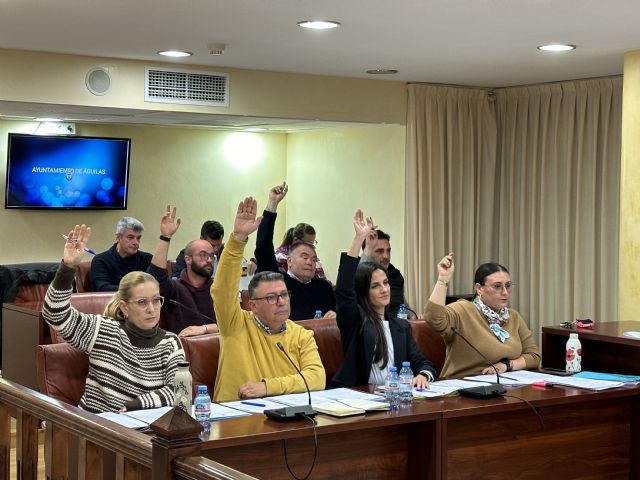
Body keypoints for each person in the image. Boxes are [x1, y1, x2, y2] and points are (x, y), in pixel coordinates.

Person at [42, 224, 185, 413]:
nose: (152, 309)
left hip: (146, 429)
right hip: (99, 427)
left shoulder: (170, 342)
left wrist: (137, 405)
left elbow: (179, 391)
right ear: (124, 307)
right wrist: (68, 267)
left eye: (156, 300)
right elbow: (54, 313)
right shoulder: (103, 330)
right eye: (142, 302)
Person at [211, 196, 325, 402]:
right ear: (253, 305)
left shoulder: (301, 335)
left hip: (282, 419)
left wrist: (267, 387)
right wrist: (237, 240)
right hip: (234, 420)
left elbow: (317, 378)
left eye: (284, 295)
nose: (281, 302)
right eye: (271, 297)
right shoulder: (235, 324)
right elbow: (222, 289)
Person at [332, 210, 437, 388]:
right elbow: (344, 289)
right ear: (364, 292)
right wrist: (358, 239)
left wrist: (423, 376)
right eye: (375, 286)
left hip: (393, 397)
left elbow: (424, 363)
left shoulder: (400, 326)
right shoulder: (355, 321)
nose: (384, 289)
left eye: (385, 283)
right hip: (359, 398)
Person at [424, 253, 540, 378]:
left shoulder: (513, 316)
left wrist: (506, 366)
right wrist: (442, 280)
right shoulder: (462, 310)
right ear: (479, 289)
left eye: (508, 286)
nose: (505, 292)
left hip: (505, 386)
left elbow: (534, 356)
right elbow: (434, 320)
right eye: (497, 286)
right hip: (463, 386)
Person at [254, 182, 336, 320]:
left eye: (314, 259)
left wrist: (335, 316)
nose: (310, 262)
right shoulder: (278, 282)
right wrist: (272, 204)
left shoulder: (323, 288)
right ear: (289, 261)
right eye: (304, 257)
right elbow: (263, 247)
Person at [147, 205, 218, 337]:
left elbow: (234, 323)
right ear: (188, 259)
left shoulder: (218, 289)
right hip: (183, 352)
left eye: (212, 256)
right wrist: (165, 237)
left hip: (220, 350)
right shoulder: (175, 288)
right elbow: (155, 277)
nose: (209, 260)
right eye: (203, 255)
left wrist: (204, 329)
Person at [90, 216, 153, 291]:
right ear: (118, 238)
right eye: (130, 237)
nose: (136, 242)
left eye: (138, 238)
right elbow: (102, 288)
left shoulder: (147, 259)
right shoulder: (101, 260)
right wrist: (136, 290)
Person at [361, 229, 410, 318]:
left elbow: (401, 304)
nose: (386, 256)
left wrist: (411, 316)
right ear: (367, 252)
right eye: (380, 251)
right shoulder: (360, 276)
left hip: (397, 326)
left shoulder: (396, 275)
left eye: (388, 251)